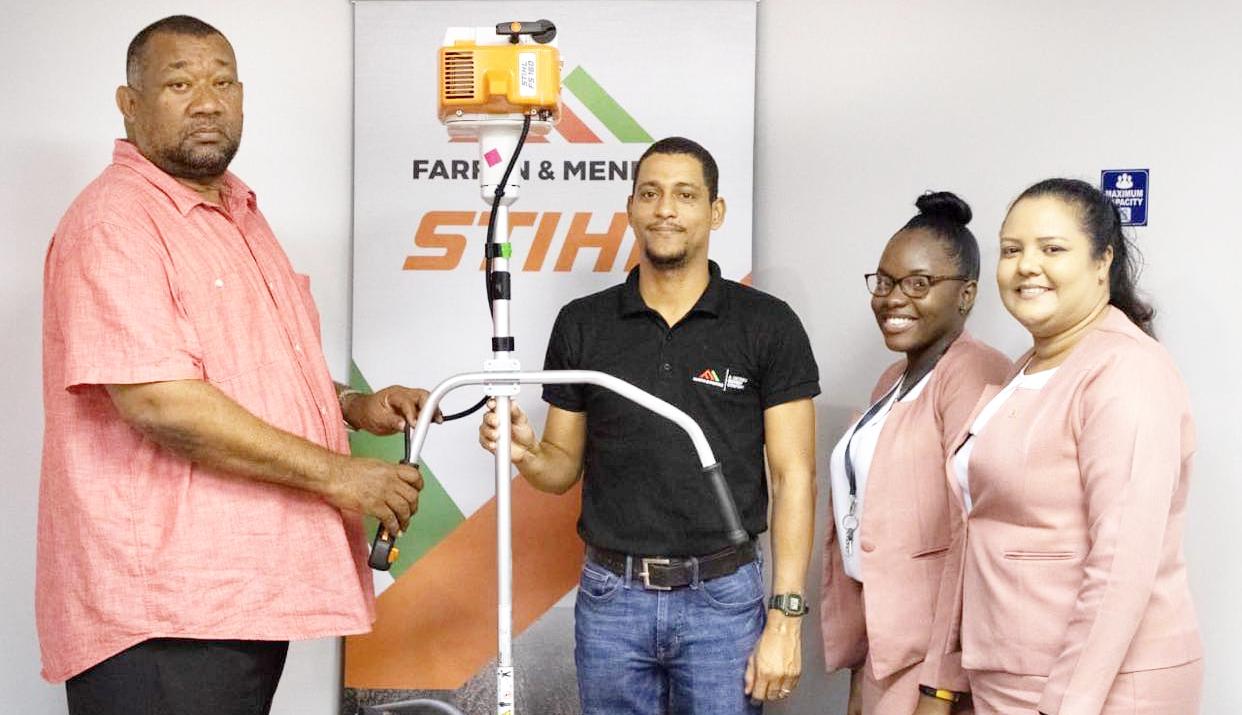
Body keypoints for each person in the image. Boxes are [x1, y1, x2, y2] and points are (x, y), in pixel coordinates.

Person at [38, 16, 435, 715]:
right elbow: (163, 400)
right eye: (179, 84)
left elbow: (245, 368)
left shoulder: (240, 212)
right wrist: (342, 474)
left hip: (232, 599)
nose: (206, 102)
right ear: (129, 103)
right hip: (163, 614)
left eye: (222, 83)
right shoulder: (116, 221)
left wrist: (350, 405)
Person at [479, 137, 819, 714]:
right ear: (631, 208)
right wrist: (526, 452)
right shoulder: (584, 323)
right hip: (612, 598)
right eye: (651, 193)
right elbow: (559, 470)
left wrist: (786, 618)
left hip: (723, 600)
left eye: (685, 195)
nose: (666, 209)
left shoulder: (767, 324)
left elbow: (794, 479)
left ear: (715, 211)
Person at [920, 179, 1203, 714]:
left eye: (1052, 249)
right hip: (1009, 676)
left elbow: (1121, 565)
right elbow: (976, 532)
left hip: (1102, 689)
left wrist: (1066, 705)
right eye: (1011, 250)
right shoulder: (1029, 367)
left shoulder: (1127, 371)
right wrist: (942, 680)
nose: (1027, 266)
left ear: (1102, 262)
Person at [819, 192, 1010, 715]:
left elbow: (973, 541)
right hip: (886, 648)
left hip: (932, 662)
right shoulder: (892, 378)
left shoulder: (974, 373)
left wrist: (941, 687)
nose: (892, 298)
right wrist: (861, 665)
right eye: (884, 282)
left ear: (966, 295)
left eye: (918, 284)